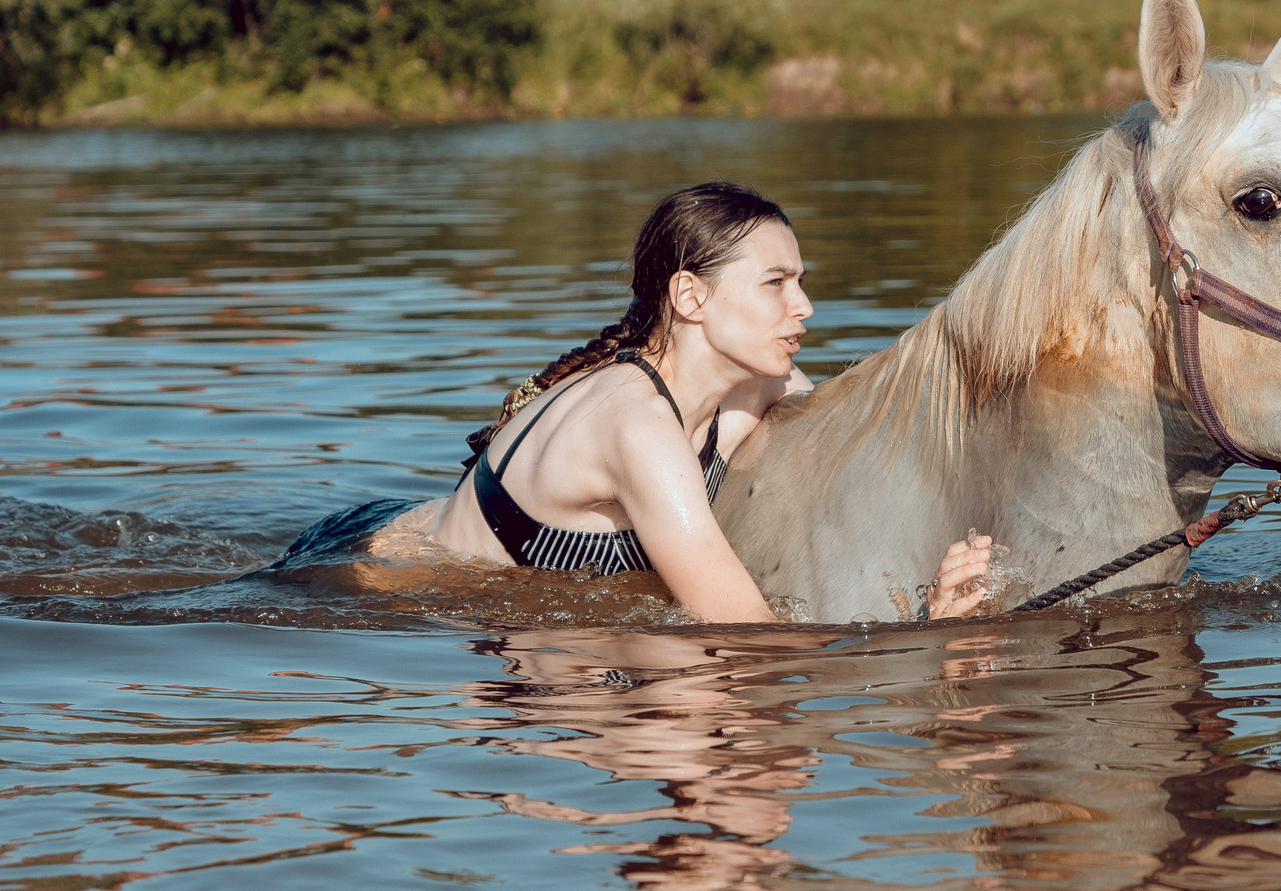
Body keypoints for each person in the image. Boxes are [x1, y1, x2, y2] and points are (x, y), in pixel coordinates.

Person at [282, 181, 994, 622]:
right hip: (373, 572)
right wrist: (928, 635)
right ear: (690, 296)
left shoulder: (750, 387)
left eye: (801, 280)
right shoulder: (636, 427)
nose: (804, 305)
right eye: (776, 283)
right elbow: (744, 640)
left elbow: (871, 439)